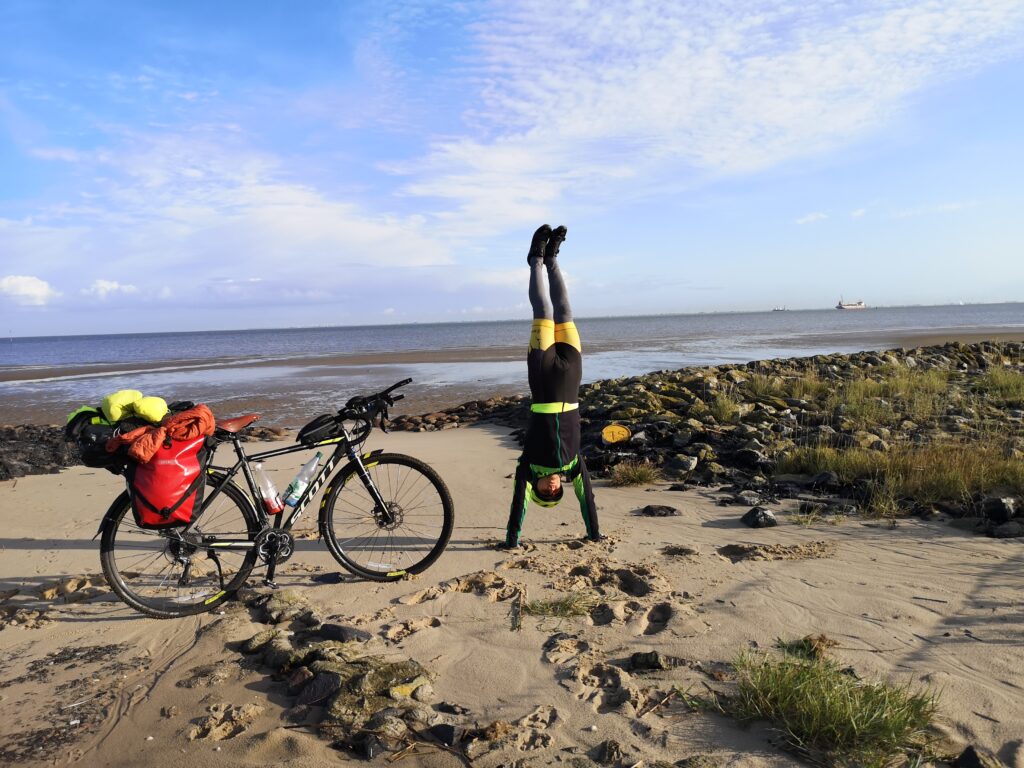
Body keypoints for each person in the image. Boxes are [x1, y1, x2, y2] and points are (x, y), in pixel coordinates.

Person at [503, 224, 602, 549]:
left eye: (545, 492)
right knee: (565, 312)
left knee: (544, 311)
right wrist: (594, 533)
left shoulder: (528, 465)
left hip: (542, 375)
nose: (553, 488)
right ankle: (553, 258)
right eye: (556, 493)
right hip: (572, 377)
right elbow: (587, 497)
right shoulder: (573, 463)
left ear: (537, 486)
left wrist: (512, 540)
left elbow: (518, 504)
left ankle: (535, 258)